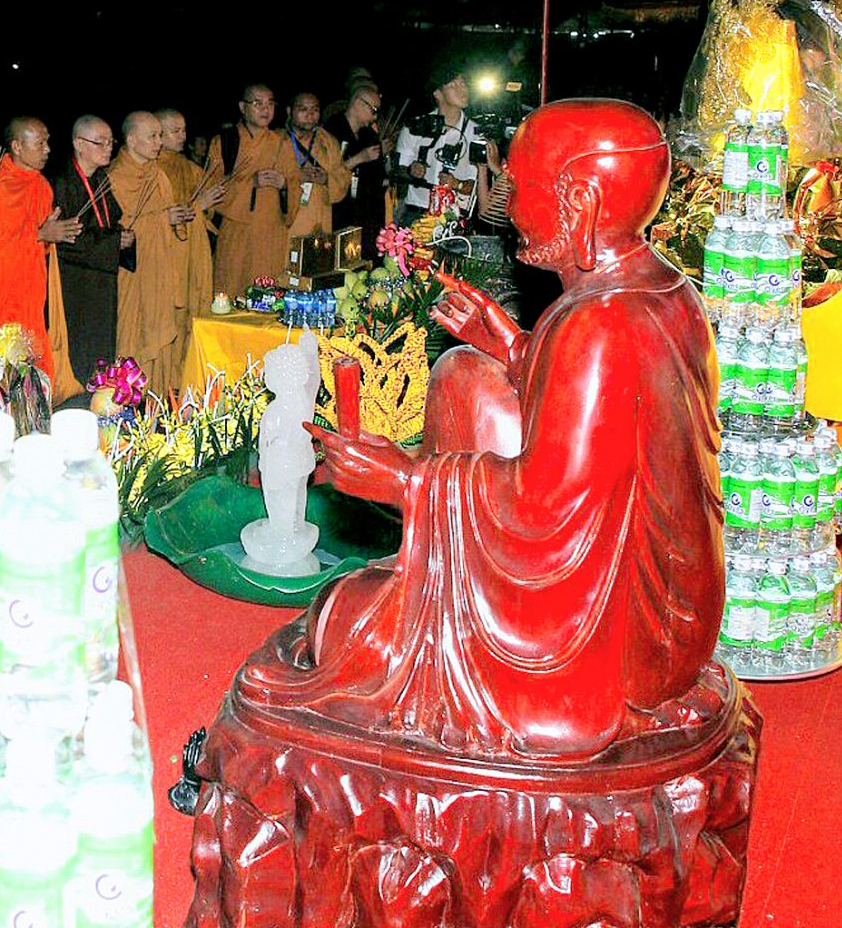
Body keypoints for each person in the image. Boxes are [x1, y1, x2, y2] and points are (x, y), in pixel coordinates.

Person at [287, 98, 723, 757]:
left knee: (341, 618)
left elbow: (541, 508)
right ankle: (428, 577)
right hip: (660, 617)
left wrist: (405, 479)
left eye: (520, 186)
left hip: (615, 645)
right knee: (464, 373)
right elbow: (591, 428)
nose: (510, 206)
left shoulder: (599, 326)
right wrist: (514, 346)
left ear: (580, 202)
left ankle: (434, 603)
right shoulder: (665, 289)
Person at [0, 117, 79, 375]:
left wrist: (49, 236)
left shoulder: (41, 185)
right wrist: (39, 235)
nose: (47, 149)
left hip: (31, 289)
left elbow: (40, 244)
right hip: (0, 292)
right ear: (17, 147)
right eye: (39, 143)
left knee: (32, 358)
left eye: (47, 142)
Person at [109, 112, 199, 394]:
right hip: (134, 274)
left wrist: (174, 217)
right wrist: (163, 219)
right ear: (131, 139)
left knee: (162, 335)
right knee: (133, 334)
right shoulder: (115, 177)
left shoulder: (157, 174)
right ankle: (128, 399)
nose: (159, 142)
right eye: (152, 136)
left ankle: (159, 398)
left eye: (161, 135)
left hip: (160, 270)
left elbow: (166, 218)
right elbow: (119, 229)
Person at [49, 116, 129, 384]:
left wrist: (122, 237)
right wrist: (113, 242)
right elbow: (64, 239)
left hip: (101, 278)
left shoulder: (100, 179)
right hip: (75, 282)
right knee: (81, 346)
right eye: (100, 142)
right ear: (79, 144)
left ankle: (102, 394)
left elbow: (110, 221)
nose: (108, 148)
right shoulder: (61, 182)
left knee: (103, 344)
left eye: (111, 142)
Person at [204, 84, 293, 294]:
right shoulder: (225, 142)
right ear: (242, 107)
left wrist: (284, 184)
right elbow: (211, 189)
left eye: (270, 104)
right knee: (232, 288)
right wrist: (250, 183)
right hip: (237, 232)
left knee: (268, 292)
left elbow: (295, 185)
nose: (265, 109)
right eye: (258, 103)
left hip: (271, 234)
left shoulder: (282, 143)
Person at [394, 65, 494, 224]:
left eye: (463, 84)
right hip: (416, 214)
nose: (462, 90)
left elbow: (476, 184)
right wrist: (410, 171)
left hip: (452, 218)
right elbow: (397, 171)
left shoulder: (475, 133)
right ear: (437, 93)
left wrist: (456, 184)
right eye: (453, 85)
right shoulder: (415, 127)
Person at [155, 106, 222, 316]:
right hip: (166, 252)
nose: (183, 136)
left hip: (192, 248)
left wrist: (206, 207)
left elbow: (209, 207)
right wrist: (197, 206)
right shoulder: (151, 169)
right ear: (159, 135)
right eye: (175, 131)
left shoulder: (190, 168)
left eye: (184, 130)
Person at [278, 91, 349, 246]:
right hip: (286, 222)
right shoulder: (276, 141)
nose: (310, 115)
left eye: (315, 110)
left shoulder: (328, 141)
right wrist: (295, 177)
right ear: (289, 111)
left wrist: (327, 179)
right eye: (303, 109)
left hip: (320, 220)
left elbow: (343, 177)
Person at [327, 81, 388, 249]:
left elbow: (378, 176)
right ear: (358, 103)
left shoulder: (369, 136)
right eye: (373, 110)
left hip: (367, 214)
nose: (375, 117)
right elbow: (328, 174)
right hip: (339, 210)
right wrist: (359, 158)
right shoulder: (331, 131)